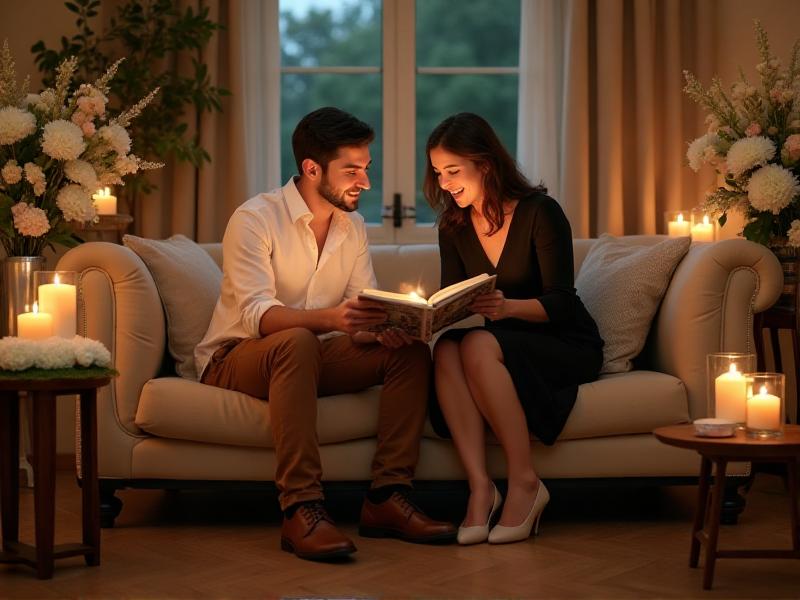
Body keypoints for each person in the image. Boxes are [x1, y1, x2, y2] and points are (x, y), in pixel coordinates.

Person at [195, 107, 456, 561]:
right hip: (237, 357)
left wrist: (385, 328)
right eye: (352, 170)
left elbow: (359, 306)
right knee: (295, 341)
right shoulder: (255, 218)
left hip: (312, 356)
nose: (365, 182)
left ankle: (386, 499)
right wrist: (337, 320)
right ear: (311, 168)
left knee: (410, 352)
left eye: (366, 168)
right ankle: (301, 508)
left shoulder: (350, 225)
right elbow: (258, 315)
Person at [424, 113, 604, 545]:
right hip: (501, 344)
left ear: (484, 164)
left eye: (453, 171)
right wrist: (424, 317)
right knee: (448, 347)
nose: (445, 183)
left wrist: (506, 307)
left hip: (562, 340)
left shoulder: (541, 212)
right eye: (437, 173)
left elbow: (561, 303)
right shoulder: (454, 225)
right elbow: (452, 296)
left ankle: (525, 482)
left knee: (480, 344)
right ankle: (481, 487)